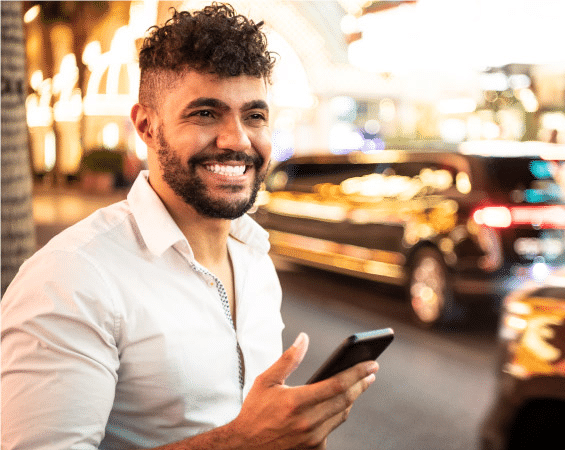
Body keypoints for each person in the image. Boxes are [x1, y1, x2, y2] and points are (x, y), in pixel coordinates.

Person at [1, 4, 378, 450]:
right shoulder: (72, 277)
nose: (237, 139)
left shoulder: (254, 258)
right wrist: (242, 441)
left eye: (254, 116)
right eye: (205, 114)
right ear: (145, 124)